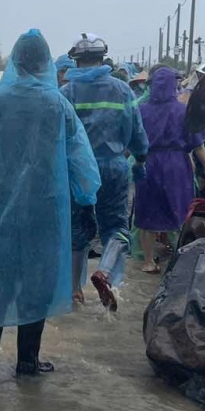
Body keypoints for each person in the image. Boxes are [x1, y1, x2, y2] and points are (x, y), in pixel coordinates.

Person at [0, 30, 99, 376]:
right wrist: (86, 195)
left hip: (2, 201)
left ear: (16, 61)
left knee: (2, 269)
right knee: (39, 278)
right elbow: (79, 156)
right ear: (45, 63)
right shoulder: (56, 103)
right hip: (46, 204)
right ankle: (27, 360)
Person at [59, 33, 148, 310]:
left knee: (78, 229)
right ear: (103, 57)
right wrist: (140, 160)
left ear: (76, 59)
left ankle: (75, 292)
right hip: (114, 168)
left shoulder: (66, 93)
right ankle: (105, 272)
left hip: (78, 171)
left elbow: (57, 137)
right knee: (117, 227)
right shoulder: (122, 90)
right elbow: (137, 133)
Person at [132, 67, 205, 273]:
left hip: (147, 163)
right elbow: (197, 144)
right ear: (173, 85)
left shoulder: (141, 110)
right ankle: (180, 261)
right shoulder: (183, 111)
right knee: (181, 209)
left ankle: (148, 261)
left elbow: (130, 142)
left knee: (147, 212)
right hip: (176, 164)